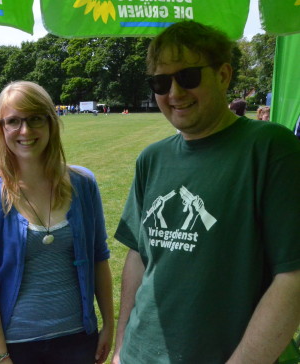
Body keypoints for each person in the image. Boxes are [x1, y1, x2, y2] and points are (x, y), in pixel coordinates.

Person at [111, 21, 300, 364]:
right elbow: (139, 256)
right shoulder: (152, 159)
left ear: (224, 75)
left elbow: (293, 276)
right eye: (160, 82)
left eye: (188, 77)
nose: (174, 93)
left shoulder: (271, 147)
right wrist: (122, 346)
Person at [0, 81, 114, 364]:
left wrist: (108, 324)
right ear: (0, 128)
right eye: (13, 121)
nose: (25, 130)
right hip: (15, 346)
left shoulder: (83, 184)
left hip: (78, 342)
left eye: (35, 118)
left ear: (51, 122)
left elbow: (99, 257)